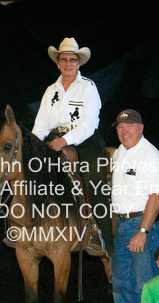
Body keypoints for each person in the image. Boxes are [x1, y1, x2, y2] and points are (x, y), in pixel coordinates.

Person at [31, 37, 113, 258]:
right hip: (54, 139)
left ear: (79, 63)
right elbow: (41, 124)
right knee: (32, 174)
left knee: (94, 181)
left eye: (72, 60)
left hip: (85, 139)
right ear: (58, 63)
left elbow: (89, 123)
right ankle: (29, 228)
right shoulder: (51, 90)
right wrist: (33, 147)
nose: (68, 64)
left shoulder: (88, 87)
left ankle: (102, 237)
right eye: (64, 59)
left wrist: (65, 140)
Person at [110, 109, 159, 303]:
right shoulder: (120, 152)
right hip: (124, 224)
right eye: (120, 127)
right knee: (122, 283)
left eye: (129, 126)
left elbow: (156, 196)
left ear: (141, 128)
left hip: (144, 224)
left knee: (145, 285)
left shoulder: (150, 156)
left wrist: (142, 232)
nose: (124, 131)